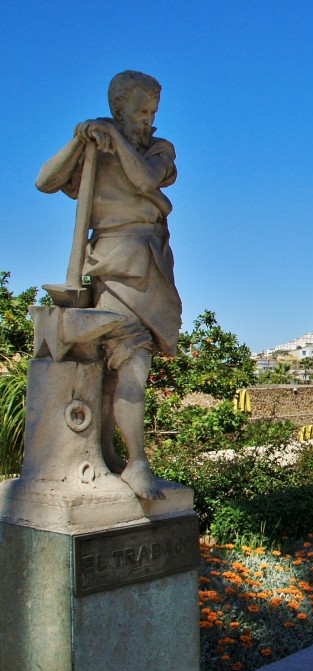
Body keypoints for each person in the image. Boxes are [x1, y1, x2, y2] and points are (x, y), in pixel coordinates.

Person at [36, 71, 181, 500]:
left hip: (150, 264)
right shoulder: (95, 149)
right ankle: (135, 463)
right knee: (130, 362)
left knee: (121, 372)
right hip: (113, 264)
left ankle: (109, 452)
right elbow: (45, 182)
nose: (148, 119)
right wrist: (79, 140)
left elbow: (143, 181)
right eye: (140, 110)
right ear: (118, 109)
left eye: (153, 111)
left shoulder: (158, 149)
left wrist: (114, 138)